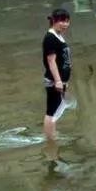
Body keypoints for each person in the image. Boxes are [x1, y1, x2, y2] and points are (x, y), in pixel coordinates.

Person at [42, 9, 72, 151]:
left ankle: (52, 134)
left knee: (56, 109)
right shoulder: (50, 38)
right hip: (54, 81)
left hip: (61, 80)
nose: (65, 24)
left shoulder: (59, 36)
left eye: (67, 21)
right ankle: (50, 139)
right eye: (61, 21)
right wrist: (58, 81)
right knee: (52, 111)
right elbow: (51, 61)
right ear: (54, 21)